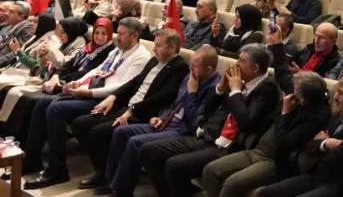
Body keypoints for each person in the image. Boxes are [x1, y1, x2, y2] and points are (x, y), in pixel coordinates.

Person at [22, 18, 153, 189]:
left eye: (121, 34)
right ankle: (31, 159)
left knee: (56, 109)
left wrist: (88, 92)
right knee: (43, 102)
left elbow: (123, 87)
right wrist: (79, 82)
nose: (117, 37)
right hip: (92, 91)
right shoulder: (118, 50)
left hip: (108, 100)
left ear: (134, 35)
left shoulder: (141, 56)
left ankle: (57, 169)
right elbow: (98, 70)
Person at [138, 43, 281, 197]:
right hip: (208, 134)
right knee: (147, 151)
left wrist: (235, 90)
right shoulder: (239, 80)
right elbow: (207, 108)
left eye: (241, 60)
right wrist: (221, 87)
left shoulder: (267, 88)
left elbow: (245, 121)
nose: (236, 64)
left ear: (255, 68)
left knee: (174, 165)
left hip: (229, 146)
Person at [73, 29, 190, 190]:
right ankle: (103, 169)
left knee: (98, 133)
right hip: (127, 106)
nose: (154, 49)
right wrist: (113, 96)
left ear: (172, 48)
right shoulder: (154, 60)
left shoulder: (179, 67)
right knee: (81, 124)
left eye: (158, 46)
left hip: (144, 113)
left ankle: (108, 176)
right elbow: (135, 82)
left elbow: (162, 97)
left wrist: (132, 110)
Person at [102, 45, 221, 197]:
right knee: (121, 131)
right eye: (190, 64)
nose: (190, 68)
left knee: (135, 142)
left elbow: (195, 121)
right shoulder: (191, 76)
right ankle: (109, 182)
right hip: (167, 122)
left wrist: (192, 92)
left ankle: (121, 192)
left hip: (182, 130)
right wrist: (160, 117)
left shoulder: (214, 89)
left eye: (195, 66)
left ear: (209, 70)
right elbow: (174, 103)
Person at [201, 71, 331, 197]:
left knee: (232, 183)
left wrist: (285, 114)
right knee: (210, 170)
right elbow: (282, 73)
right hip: (256, 150)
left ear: (302, 98)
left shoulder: (317, 117)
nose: (291, 90)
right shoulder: (295, 97)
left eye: (295, 89)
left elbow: (284, 143)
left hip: (274, 162)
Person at [254, 76, 343, 197]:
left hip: (339, 182)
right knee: (265, 193)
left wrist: (324, 143)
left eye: (341, 93)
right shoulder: (339, 113)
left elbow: (340, 156)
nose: (335, 97)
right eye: (337, 92)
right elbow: (310, 146)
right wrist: (327, 143)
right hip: (318, 175)